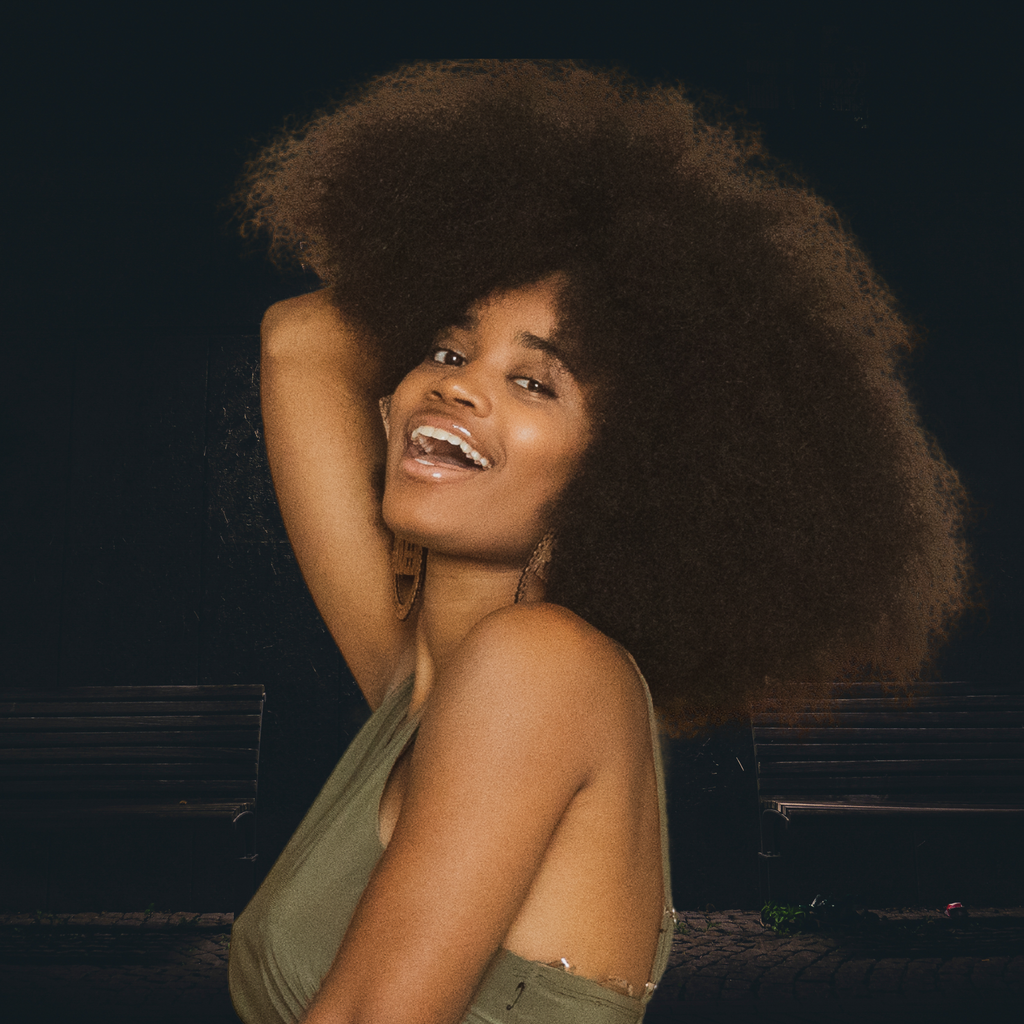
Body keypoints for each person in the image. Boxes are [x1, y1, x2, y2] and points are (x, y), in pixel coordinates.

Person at [227, 60, 978, 1024]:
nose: (456, 385)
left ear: (629, 478)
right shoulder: (422, 690)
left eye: (536, 383)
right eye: (447, 349)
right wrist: (501, 252)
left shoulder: (539, 671)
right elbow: (299, 338)